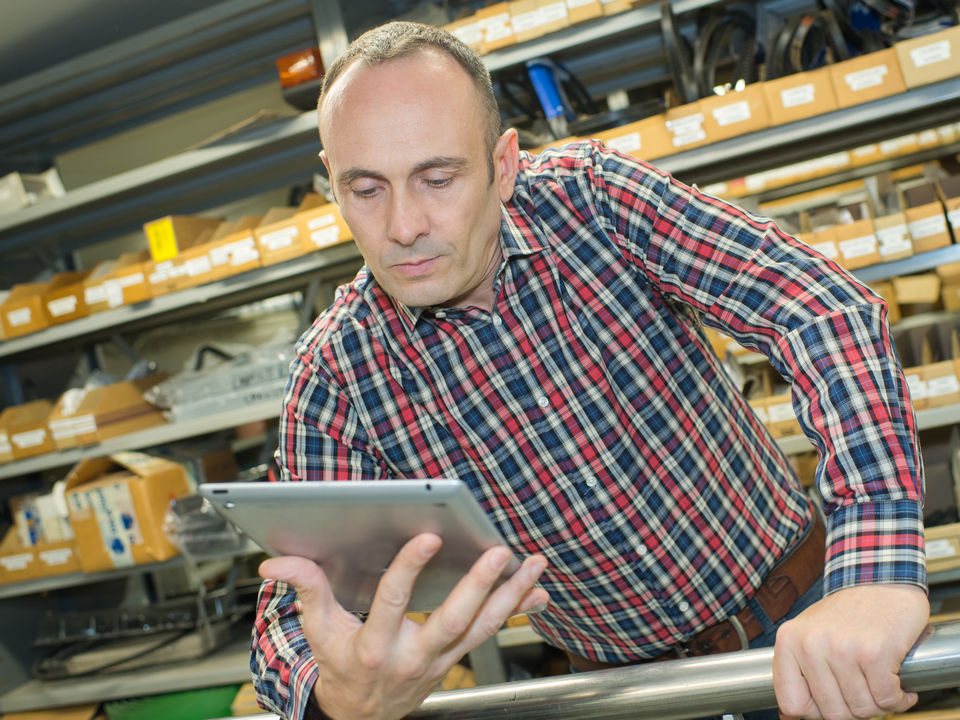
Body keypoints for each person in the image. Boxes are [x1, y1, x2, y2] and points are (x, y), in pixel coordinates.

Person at [252, 20, 929, 720]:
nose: (403, 225)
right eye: (367, 190)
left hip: (812, 625)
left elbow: (820, 310)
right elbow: (289, 612)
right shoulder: (337, 374)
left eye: (438, 177)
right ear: (334, 187)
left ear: (504, 163)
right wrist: (333, 693)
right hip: (619, 696)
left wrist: (872, 575)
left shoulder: (594, 202)